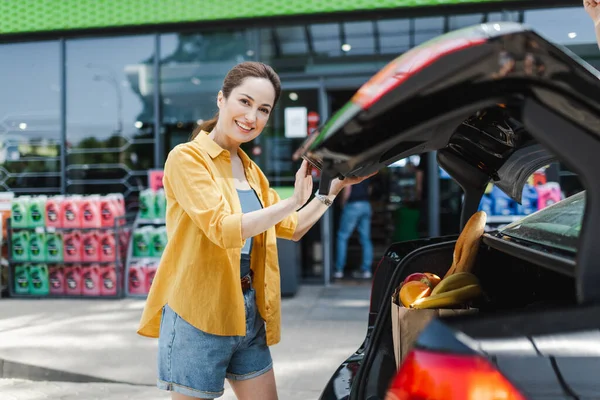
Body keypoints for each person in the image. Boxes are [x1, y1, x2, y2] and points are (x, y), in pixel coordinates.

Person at [136, 61, 371, 400]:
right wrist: (291, 202)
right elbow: (222, 228)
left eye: (263, 109)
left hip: (248, 309)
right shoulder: (187, 158)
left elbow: (292, 228)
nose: (252, 116)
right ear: (222, 99)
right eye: (244, 102)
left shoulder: (251, 170)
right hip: (198, 312)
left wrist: (331, 190)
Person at [334, 178, 374, 280]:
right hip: (366, 205)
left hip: (353, 205)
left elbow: (347, 188)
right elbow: (370, 189)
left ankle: (339, 270)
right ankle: (367, 270)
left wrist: (343, 203)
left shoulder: (352, 170)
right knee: (366, 239)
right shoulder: (367, 171)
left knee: (342, 237)